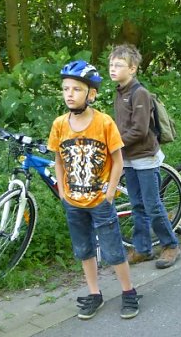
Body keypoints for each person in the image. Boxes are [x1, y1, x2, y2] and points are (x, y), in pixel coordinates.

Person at [47, 60, 142, 320]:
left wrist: (110, 192)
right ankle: (94, 293)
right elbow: (57, 158)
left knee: (113, 249)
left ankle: (128, 292)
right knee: (83, 249)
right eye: (66, 88)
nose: (69, 94)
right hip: (73, 200)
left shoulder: (104, 123)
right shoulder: (59, 125)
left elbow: (118, 159)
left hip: (100, 200)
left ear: (91, 94)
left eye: (76, 89)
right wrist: (62, 191)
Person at [108, 44, 181, 269]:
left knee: (152, 205)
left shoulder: (139, 93)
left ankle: (170, 245)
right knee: (137, 204)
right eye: (111, 64)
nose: (112, 69)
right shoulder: (120, 93)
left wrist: (113, 144)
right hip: (128, 158)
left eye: (118, 65)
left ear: (133, 69)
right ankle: (143, 249)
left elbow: (139, 130)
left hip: (145, 157)